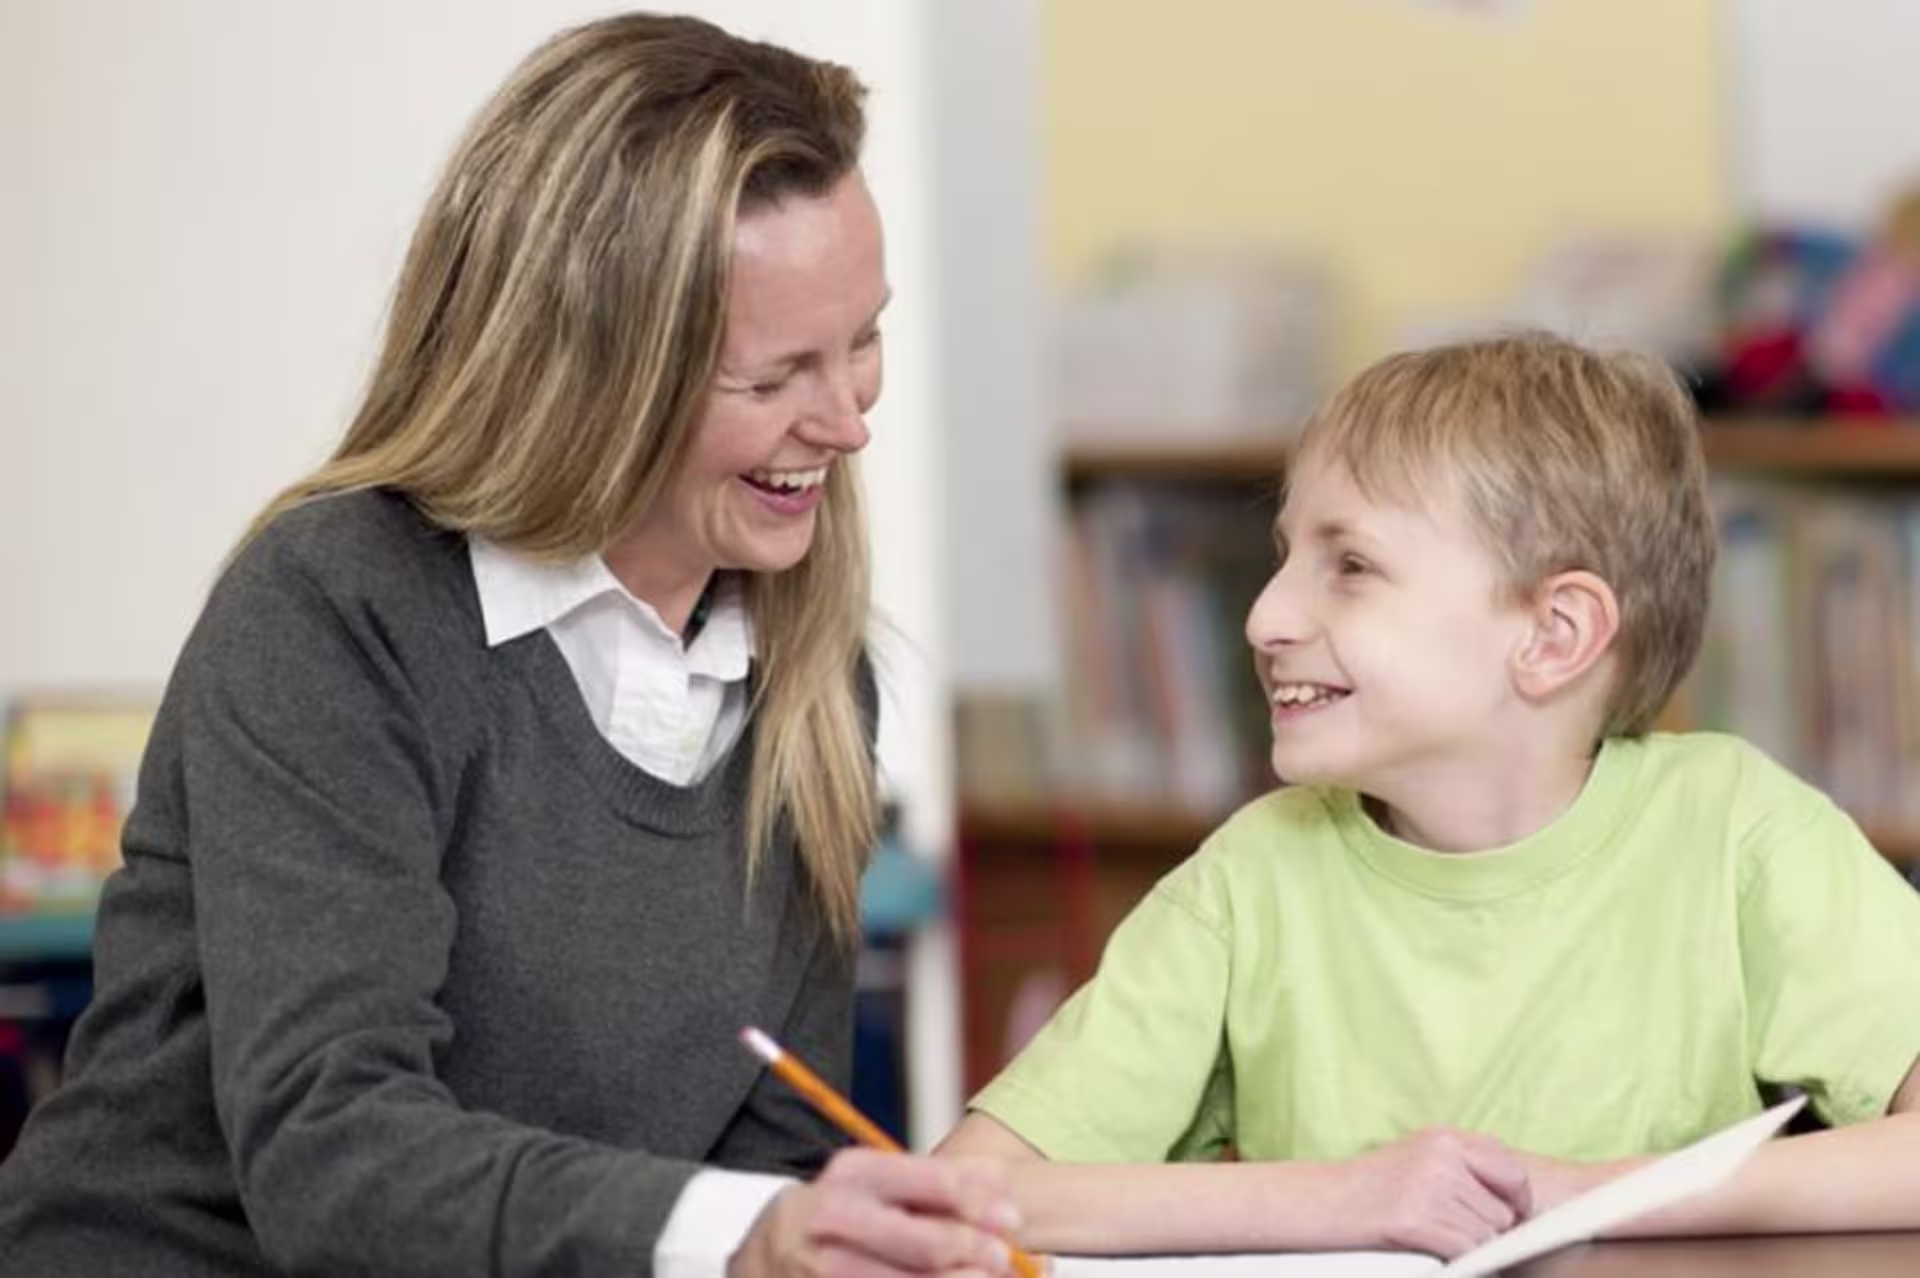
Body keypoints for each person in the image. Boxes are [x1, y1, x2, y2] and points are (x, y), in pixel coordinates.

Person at [0, 14, 1022, 1277]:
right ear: (594, 372)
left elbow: (774, 1161)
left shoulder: (811, 681)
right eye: (773, 377)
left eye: (862, 340)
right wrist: (746, 1235)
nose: (846, 420)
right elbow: (333, 1157)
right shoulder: (335, 610)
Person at [937, 333, 1920, 1257]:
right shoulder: (1249, 884)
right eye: (1285, 556)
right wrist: (1348, 1197)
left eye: (1351, 566)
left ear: (1553, 636)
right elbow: (970, 1193)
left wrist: (1582, 1193)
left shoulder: (1737, 833)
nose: (1267, 616)